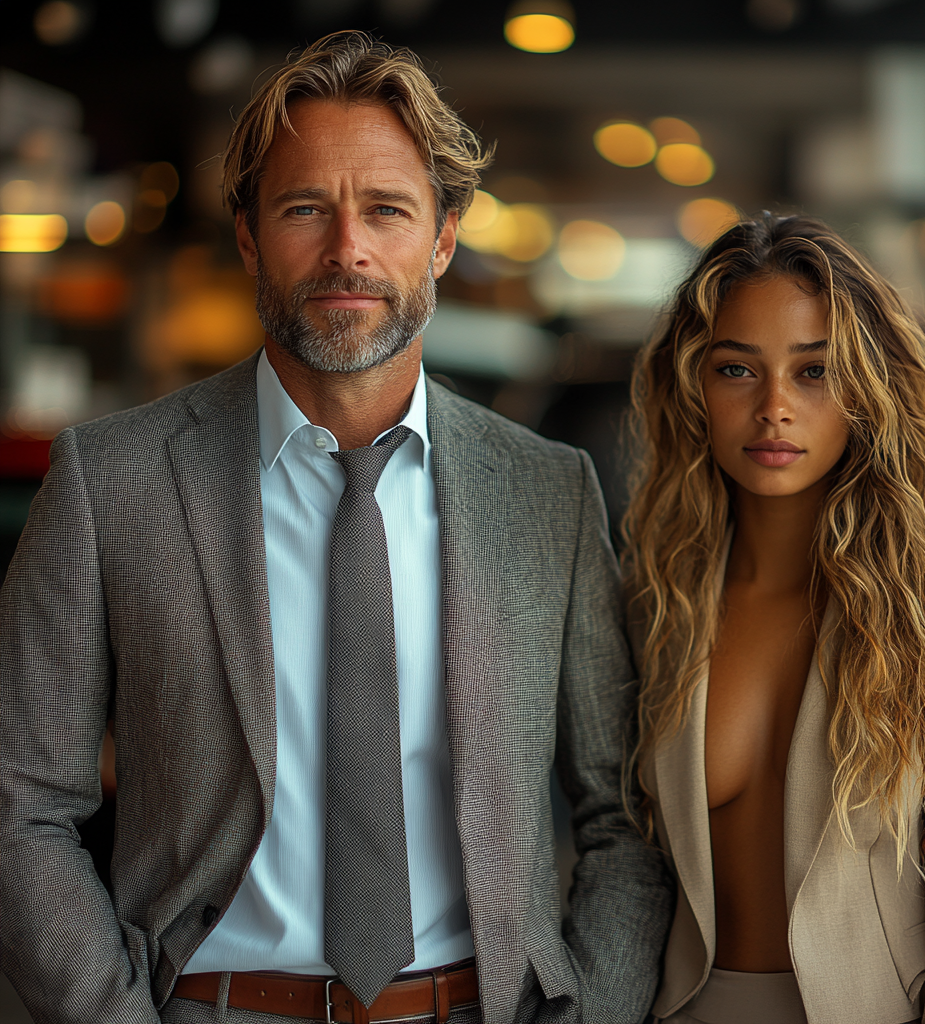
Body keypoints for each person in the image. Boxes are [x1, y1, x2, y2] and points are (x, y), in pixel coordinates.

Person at [0, 31, 672, 1024]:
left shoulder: (548, 493)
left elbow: (623, 814)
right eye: (304, 208)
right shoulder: (112, 482)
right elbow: (22, 802)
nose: (347, 249)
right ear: (247, 234)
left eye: (387, 210)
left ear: (442, 237)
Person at [622, 213, 925, 1024]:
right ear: (695, 386)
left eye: (815, 372)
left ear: (870, 388)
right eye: (738, 370)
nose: (774, 407)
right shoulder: (655, 600)